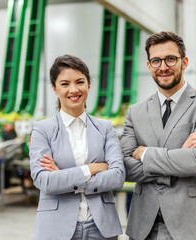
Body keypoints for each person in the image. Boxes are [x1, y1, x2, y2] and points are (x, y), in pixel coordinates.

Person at [121, 31, 196, 240]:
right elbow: (126, 168)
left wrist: (146, 154)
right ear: (149, 65)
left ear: (184, 62)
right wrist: (180, 155)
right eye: (156, 61)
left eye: (170, 59)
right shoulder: (136, 112)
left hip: (194, 226)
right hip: (144, 228)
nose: (163, 67)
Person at [29, 54, 125, 240]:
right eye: (65, 84)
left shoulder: (105, 128)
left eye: (80, 82)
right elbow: (45, 181)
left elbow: (118, 176)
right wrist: (92, 169)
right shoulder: (43, 130)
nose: (73, 89)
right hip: (56, 228)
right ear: (54, 88)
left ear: (89, 84)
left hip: (102, 227)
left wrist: (66, 178)